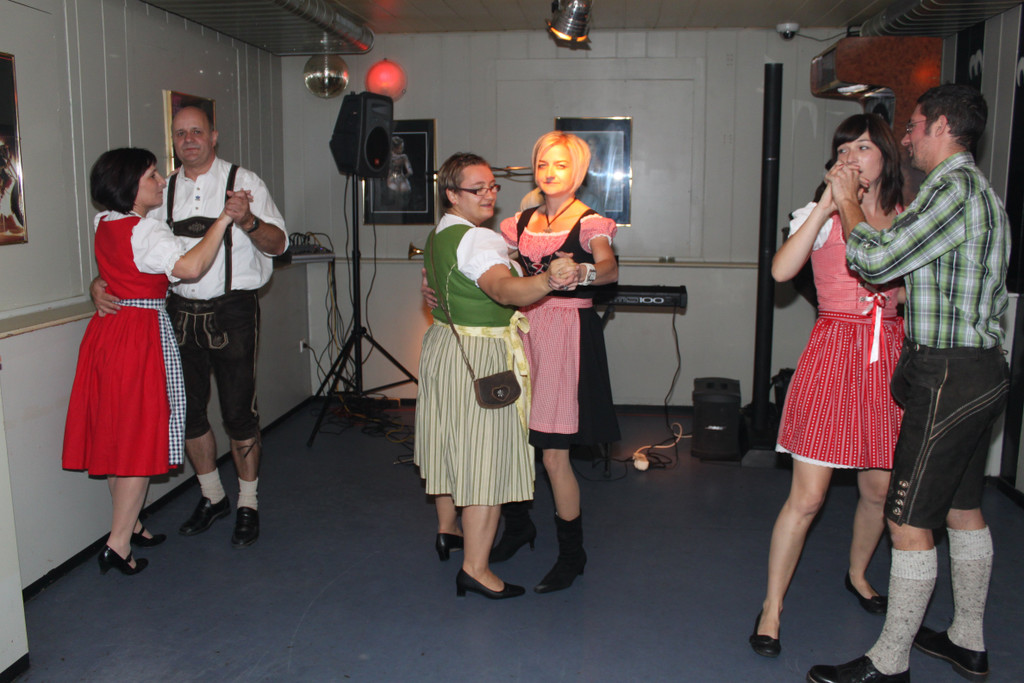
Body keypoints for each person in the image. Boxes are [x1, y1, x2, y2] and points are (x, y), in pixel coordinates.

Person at [807, 85, 1010, 683]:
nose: (908, 137)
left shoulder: (951, 190)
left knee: (907, 518)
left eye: (916, 125)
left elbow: (874, 260)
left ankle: (889, 661)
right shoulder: (977, 190)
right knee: (962, 509)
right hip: (977, 368)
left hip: (948, 374)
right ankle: (967, 640)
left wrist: (847, 203)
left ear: (942, 126)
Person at [92, 106, 287, 548]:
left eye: (197, 131)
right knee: (187, 411)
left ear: (214, 136)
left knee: (239, 412)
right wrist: (97, 283)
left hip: (233, 309)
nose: (189, 140)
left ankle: (248, 503)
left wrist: (248, 220)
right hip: (176, 310)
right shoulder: (159, 188)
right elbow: (131, 248)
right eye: (180, 133)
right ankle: (212, 495)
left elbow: (279, 245)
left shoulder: (244, 181)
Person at [750, 114, 906, 658]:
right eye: (843, 149)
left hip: (887, 357)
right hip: (834, 354)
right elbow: (780, 272)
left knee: (878, 490)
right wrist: (825, 205)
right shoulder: (815, 215)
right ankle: (771, 607)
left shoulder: (907, 218)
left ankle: (858, 574)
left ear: (885, 155)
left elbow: (907, 286)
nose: (851, 157)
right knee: (809, 497)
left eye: (862, 147)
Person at [63, 147, 235, 574]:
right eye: (152, 176)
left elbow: (122, 265)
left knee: (117, 433)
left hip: (108, 333)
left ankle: (132, 523)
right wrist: (223, 220)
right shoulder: (146, 232)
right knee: (138, 437)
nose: (161, 181)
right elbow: (191, 268)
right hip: (139, 335)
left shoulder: (106, 221)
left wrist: (98, 284)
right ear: (128, 187)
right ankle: (118, 544)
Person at [415, 152, 577, 599]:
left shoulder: (441, 232)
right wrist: (548, 282)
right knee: (484, 460)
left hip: (446, 348)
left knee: (451, 446)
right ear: (452, 194)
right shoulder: (478, 239)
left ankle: (448, 529)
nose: (489, 194)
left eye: (492, 186)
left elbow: (445, 282)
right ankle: (475, 568)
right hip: (480, 354)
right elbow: (503, 290)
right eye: (477, 188)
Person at [493, 131, 620, 594]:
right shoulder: (520, 222)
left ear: (578, 172)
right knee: (511, 442)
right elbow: (500, 271)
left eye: (561, 164)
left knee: (553, 454)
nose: (550, 172)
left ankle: (572, 554)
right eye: (543, 163)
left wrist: (583, 271)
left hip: (566, 335)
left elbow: (609, 268)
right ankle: (518, 526)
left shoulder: (590, 222)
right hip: (522, 331)